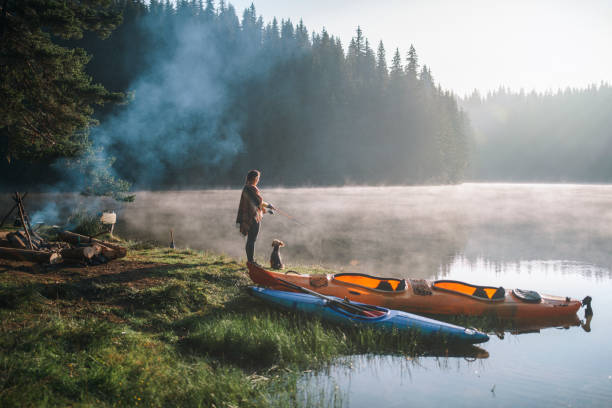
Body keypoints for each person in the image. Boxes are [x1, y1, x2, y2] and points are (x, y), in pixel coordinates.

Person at [236, 170, 275, 264]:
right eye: (258, 178)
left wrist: (268, 208)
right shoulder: (251, 188)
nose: (258, 180)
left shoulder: (247, 187)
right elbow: (258, 203)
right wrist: (269, 205)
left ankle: (250, 260)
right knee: (251, 240)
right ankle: (251, 261)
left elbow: (255, 204)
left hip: (249, 216)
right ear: (254, 178)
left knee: (250, 239)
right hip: (252, 217)